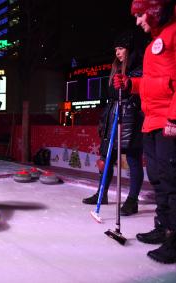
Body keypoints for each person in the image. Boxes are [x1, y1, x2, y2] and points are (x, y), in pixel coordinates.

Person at [113, 0, 176, 264]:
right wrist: (131, 83)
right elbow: (153, 83)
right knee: (159, 178)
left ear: (154, 9)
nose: (138, 21)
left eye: (140, 15)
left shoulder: (173, 34)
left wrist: (174, 115)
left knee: (172, 180)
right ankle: (164, 227)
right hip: (151, 119)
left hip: (168, 120)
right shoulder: (153, 44)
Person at [82, 31, 145, 217]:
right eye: (116, 49)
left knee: (133, 159)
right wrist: (104, 119)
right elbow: (109, 96)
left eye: (121, 48)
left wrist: (128, 85)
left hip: (131, 117)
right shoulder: (115, 67)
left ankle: (132, 201)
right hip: (113, 116)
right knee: (107, 158)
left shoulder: (139, 67)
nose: (117, 52)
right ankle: (101, 193)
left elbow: (137, 92)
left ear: (129, 49)